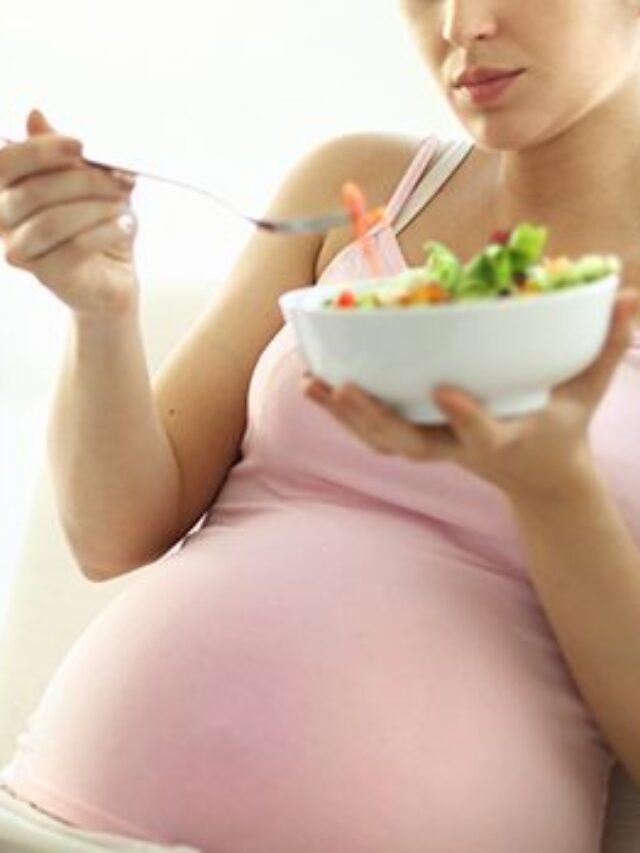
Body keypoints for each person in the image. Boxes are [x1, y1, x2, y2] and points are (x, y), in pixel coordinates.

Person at [1, 0, 640, 850]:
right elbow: (110, 534)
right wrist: (101, 309)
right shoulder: (355, 189)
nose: (459, 25)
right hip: (61, 825)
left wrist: (553, 490)